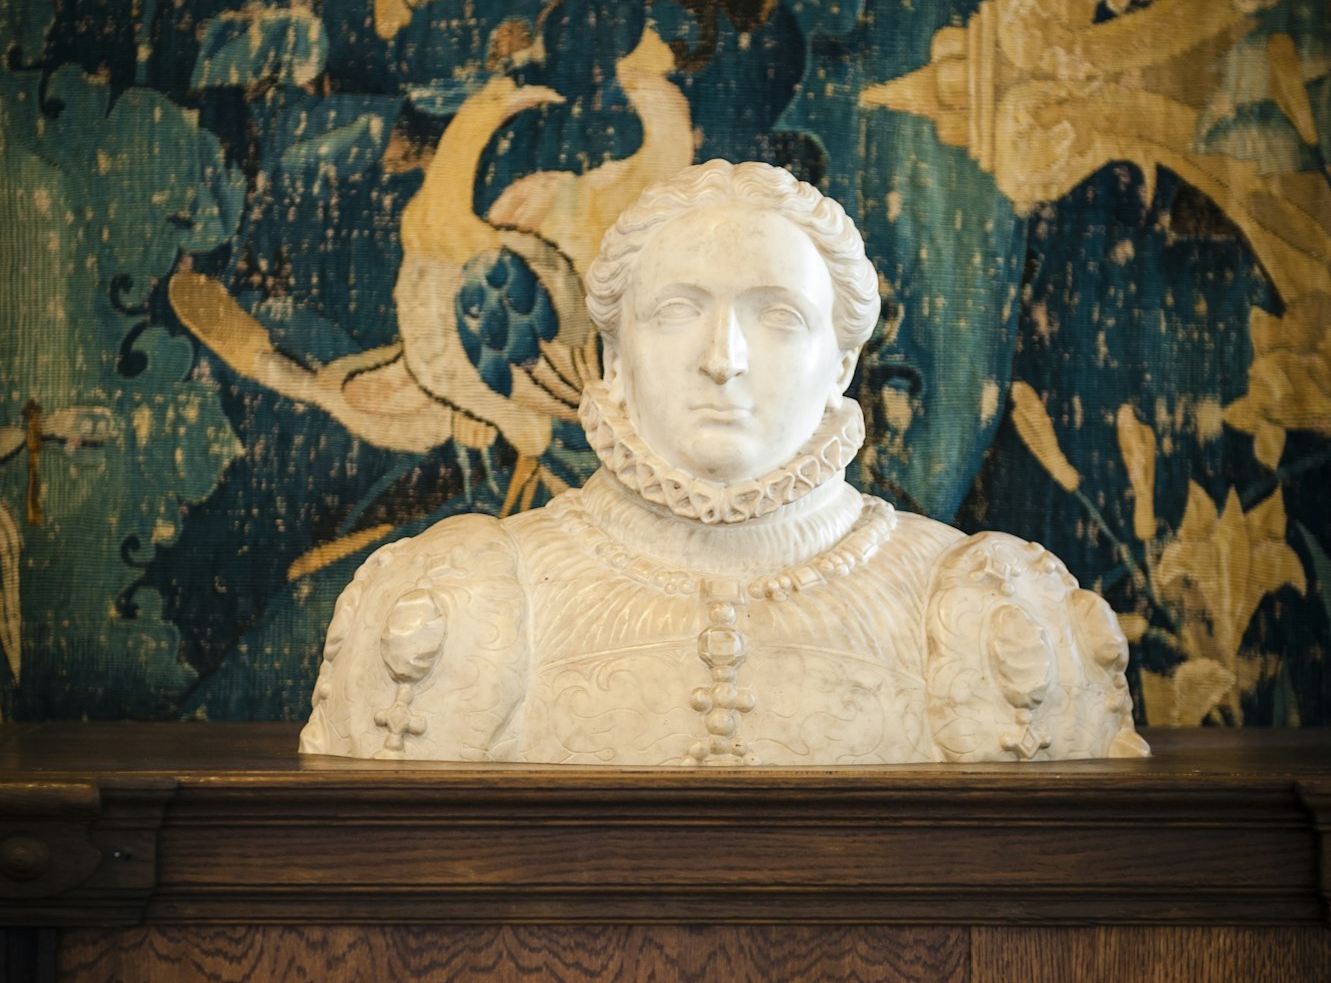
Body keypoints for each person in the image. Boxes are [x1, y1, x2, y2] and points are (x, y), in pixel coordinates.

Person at [301, 159, 1147, 764]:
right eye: (677, 310)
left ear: (841, 363)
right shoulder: (458, 596)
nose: (724, 358)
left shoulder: (984, 607)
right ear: (616, 357)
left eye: (776, 317)